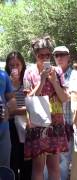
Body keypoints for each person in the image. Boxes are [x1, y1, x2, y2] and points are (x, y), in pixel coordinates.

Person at [23, 36, 69, 180]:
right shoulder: (29, 73)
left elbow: (65, 98)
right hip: (38, 123)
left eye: (47, 55)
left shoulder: (58, 71)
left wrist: (54, 82)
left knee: (54, 167)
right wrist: (41, 81)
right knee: (38, 167)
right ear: (35, 55)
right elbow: (28, 99)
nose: (44, 58)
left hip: (55, 123)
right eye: (40, 55)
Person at [52, 45, 77, 180]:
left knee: (65, 162)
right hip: (52, 124)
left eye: (62, 54)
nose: (59, 57)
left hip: (68, 124)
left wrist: (55, 85)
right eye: (56, 55)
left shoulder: (75, 74)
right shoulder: (50, 73)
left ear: (68, 57)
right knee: (54, 162)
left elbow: (68, 97)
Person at [5, 51, 32, 180]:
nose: (15, 68)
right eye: (11, 65)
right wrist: (9, 85)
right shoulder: (4, 82)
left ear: (22, 65)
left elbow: (31, 107)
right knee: (13, 159)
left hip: (26, 124)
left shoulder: (27, 82)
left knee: (27, 160)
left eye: (17, 64)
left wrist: (16, 111)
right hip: (10, 127)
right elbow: (6, 109)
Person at [0, 69, 16, 168]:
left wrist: (10, 106)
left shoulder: (3, 74)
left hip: (3, 132)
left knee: (4, 169)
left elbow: (11, 98)